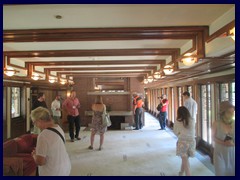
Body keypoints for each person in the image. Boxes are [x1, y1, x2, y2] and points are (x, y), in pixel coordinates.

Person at [31, 107, 71, 176]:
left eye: (34, 122)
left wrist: (34, 155)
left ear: (40, 120)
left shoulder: (43, 135)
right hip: (65, 168)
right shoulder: (58, 128)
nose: (35, 126)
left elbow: (40, 162)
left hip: (52, 172)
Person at [212, 101, 235, 176]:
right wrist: (223, 143)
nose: (232, 114)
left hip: (233, 153)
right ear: (223, 113)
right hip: (219, 153)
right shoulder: (216, 123)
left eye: (233, 112)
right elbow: (213, 137)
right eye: (229, 112)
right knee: (220, 173)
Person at [173, 106, 196, 176]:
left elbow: (175, 132)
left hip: (182, 142)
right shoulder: (192, 120)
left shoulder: (178, 121)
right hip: (192, 142)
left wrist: (180, 133)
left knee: (185, 162)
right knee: (185, 160)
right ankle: (181, 173)